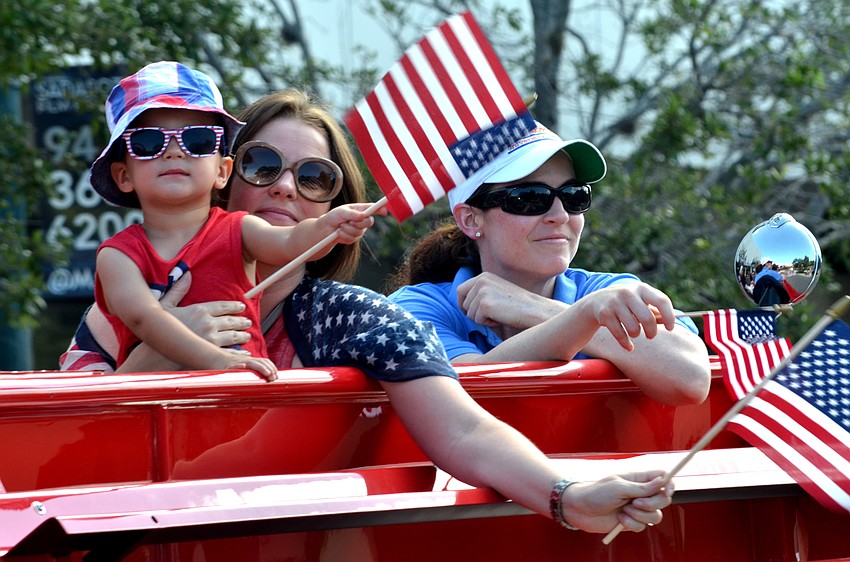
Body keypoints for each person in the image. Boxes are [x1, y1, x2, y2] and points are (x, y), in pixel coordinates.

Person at [62, 89, 673, 534]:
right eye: (262, 165)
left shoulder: (351, 318)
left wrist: (567, 496)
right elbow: (56, 459)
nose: (285, 188)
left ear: (338, 212)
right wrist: (150, 355)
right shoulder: (112, 315)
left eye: (315, 178)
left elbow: (462, 427)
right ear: (222, 178)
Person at [387, 122, 711, 406]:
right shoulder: (414, 308)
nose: (559, 216)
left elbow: (690, 378)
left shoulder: (607, 292)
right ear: (470, 219)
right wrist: (583, 319)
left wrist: (536, 309)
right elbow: (467, 399)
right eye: (529, 198)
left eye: (573, 196)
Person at [87, 61, 375, 380]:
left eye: (198, 141)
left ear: (223, 171)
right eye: (148, 143)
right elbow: (145, 318)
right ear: (124, 175)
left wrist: (329, 225)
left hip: (241, 404)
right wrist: (217, 359)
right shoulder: (116, 257)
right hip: (162, 417)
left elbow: (289, 242)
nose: (173, 151)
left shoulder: (240, 230)